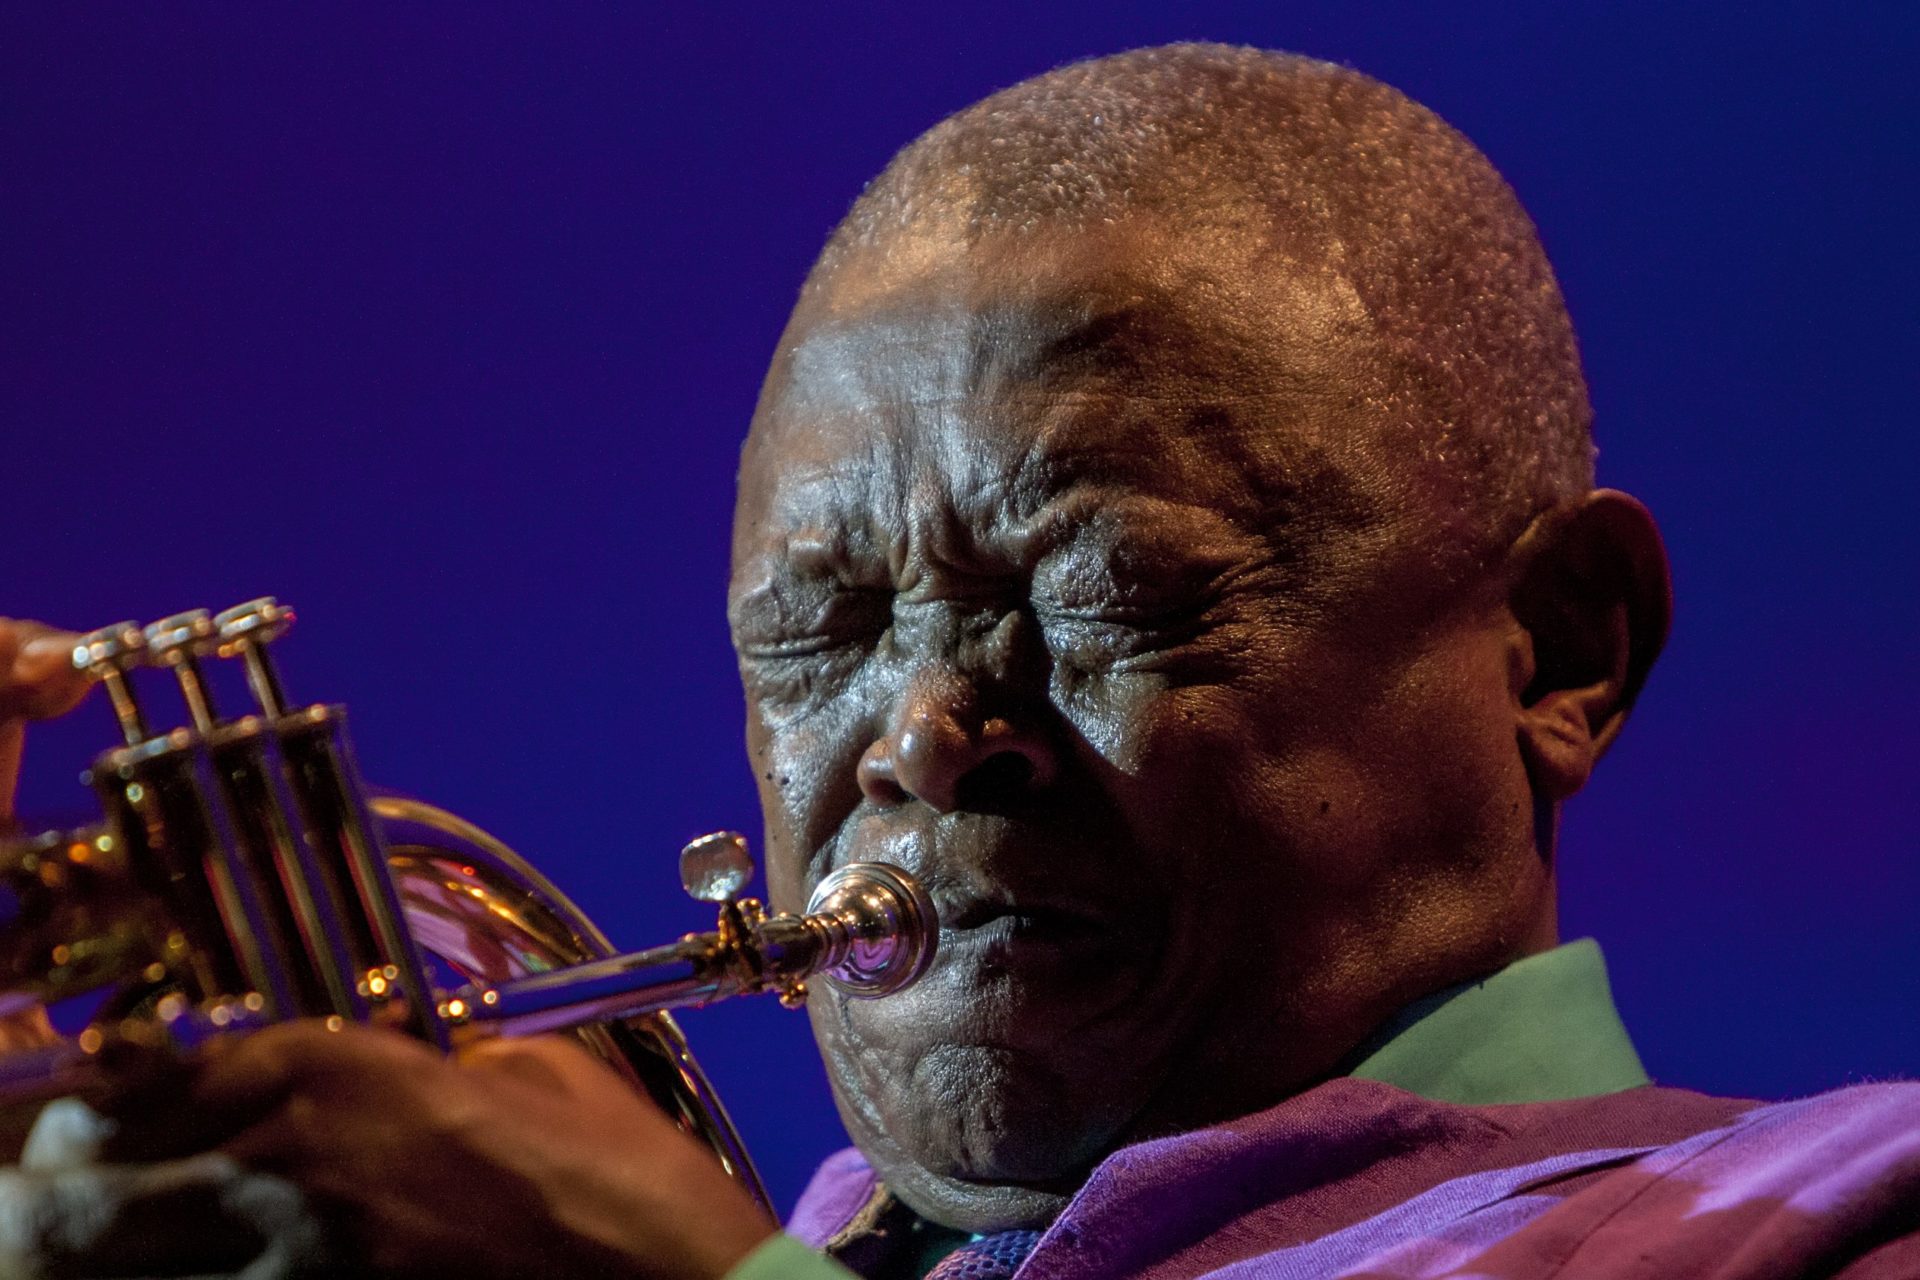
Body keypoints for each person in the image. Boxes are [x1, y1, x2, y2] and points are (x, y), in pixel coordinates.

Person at [2, 42, 1916, 1280]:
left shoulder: (1829, 1222)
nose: (919, 734)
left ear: (1563, 653)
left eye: (1105, 591)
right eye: (816, 635)